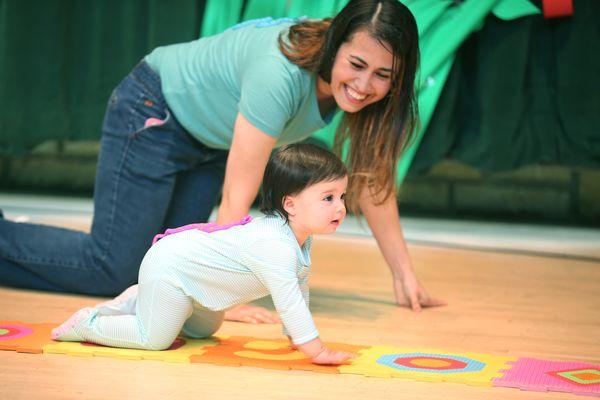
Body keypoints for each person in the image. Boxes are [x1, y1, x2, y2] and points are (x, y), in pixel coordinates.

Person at [0, 0, 444, 324]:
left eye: (383, 75)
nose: (365, 85)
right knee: (113, 268)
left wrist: (404, 275)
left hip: (207, 142)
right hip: (154, 107)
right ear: (334, 45)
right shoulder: (282, 74)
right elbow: (239, 190)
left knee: (164, 266)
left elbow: (372, 180)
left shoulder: (367, 96)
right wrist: (226, 298)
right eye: (357, 65)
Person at [51, 144, 355, 365]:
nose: (340, 207)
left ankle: (144, 298)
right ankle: (88, 323)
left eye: (341, 196)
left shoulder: (299, 239)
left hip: (201, 289)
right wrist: (315, 349)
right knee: (154, 339)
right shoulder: (275, 245)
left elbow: (299, 289)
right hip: (170, 267)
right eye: (328, 198)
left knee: (204, 330)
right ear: (290, 205)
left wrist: (293, 336)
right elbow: (289, 303)